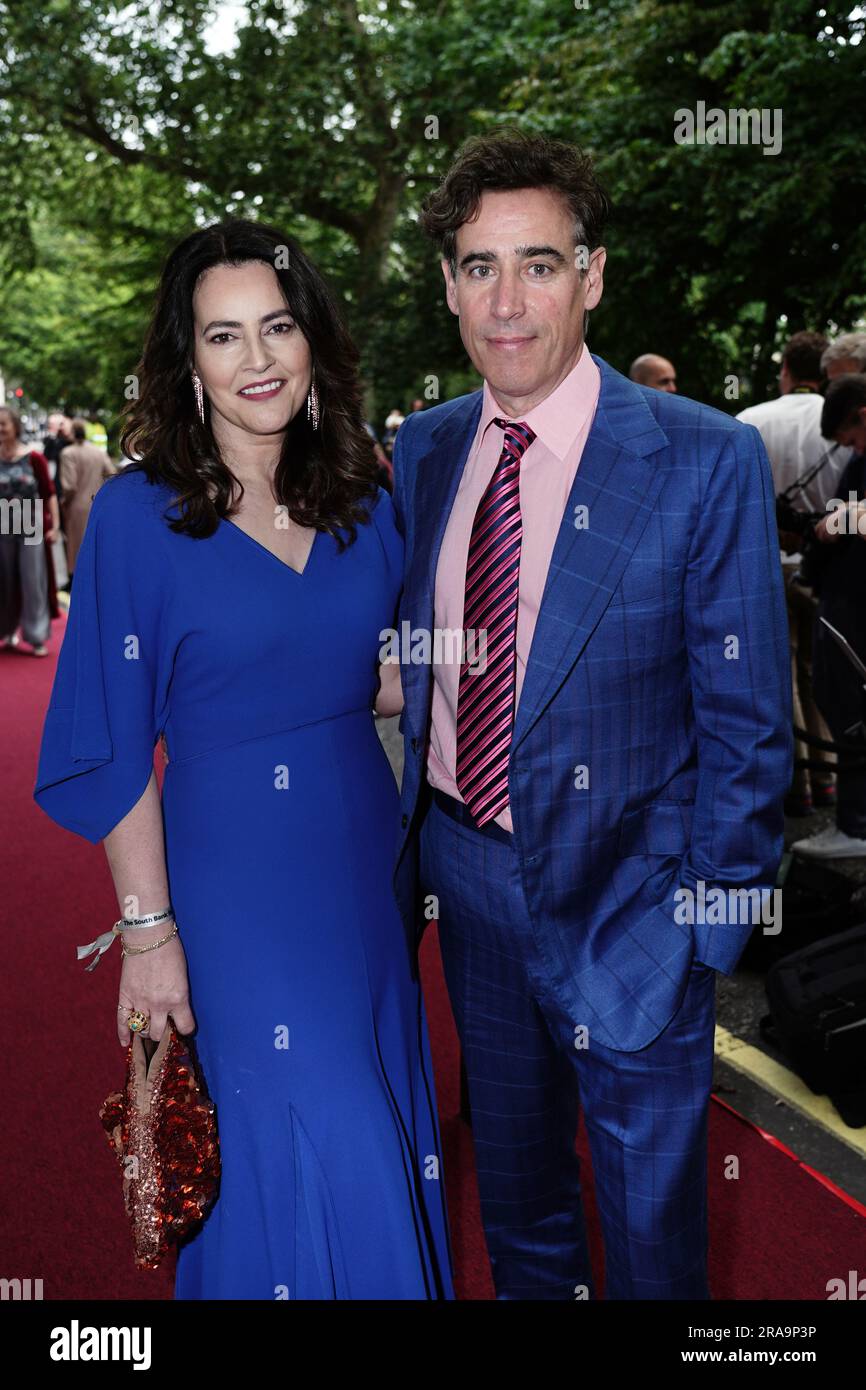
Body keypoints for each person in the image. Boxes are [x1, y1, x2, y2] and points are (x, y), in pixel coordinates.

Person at [390, 129, 792, 1300]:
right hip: (466, 879)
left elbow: (749, 726)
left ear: (592, 274)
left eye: (538, 264)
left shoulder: (699, 457)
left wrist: (702, 939)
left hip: (637, 907)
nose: (505, 302)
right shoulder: (424, 448)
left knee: (653, 1241)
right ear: (450, 286)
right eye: (478, 267)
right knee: (519, 1209)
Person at [33, 218, 454, 1300]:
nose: (256, 358)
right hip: (230, 881)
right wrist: (147, 935)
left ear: (311, 339)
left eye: (276, 326)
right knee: (316, 1120)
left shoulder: (364, 498)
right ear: (187, 361)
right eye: (223, 337)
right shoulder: (137, 517)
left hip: (364, 870)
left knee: (370, 1098)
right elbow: (112, 741)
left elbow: (381, 676)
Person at [737, 331, 850, 816]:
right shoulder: (843, 419)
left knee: (779, 673)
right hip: (833, 569)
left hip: (767, 566)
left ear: (784, 370)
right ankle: (832, 780)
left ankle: (797, 787)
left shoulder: (749, 421)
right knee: (822, 674)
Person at [791, 374, 866, 860]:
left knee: (851, 709)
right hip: (846, 599)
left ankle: (857, 825)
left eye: (852, 439)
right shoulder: (860, 459)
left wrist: (835, 522)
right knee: (836, 698)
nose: (851, 450)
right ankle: (853, 820)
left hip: (855, 609)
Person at [0, 406, 61, 655]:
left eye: (3, 424)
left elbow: (49, 493)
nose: (0, 429)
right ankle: (7, 630)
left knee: (32, 580)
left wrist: (55, 526)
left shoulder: (34, 457)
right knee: (4, 580)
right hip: (2, 522)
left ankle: (36, 636)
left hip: (31, 522)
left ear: (15, 426)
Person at [58, 417, 119, 581]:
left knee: (75, 546)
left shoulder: (68, 453)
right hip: (97, 502)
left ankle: (75, 580)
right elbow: (112, 473)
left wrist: (64, 501)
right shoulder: (98, 452)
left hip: (76, 505)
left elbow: (69, 485)